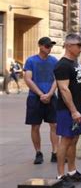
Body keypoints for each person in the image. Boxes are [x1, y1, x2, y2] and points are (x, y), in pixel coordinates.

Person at [54, 33, 81, 188]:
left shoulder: (74, 63)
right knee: (65, 140)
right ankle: (60, 176)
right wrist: (74, 111)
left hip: (79, 109)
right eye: (78, 45)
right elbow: (64, 89)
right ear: (68, 46)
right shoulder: (62, 65)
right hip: (67, 111)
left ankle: (72, 171)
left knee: (74, 140)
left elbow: (79, 85)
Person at [23, 37, 59, 165]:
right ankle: (38, 152)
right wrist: (40, 94)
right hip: (34, 98)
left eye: (50, 46)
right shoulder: (31, 60)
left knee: (54, 125)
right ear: (40, 46)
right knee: (35, 126)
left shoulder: (54, 61)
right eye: (47, 46)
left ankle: (55, 152)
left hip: (51, 97)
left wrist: (49, 94)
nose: (49, 48)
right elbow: (28, 79)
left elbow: (57, 79)